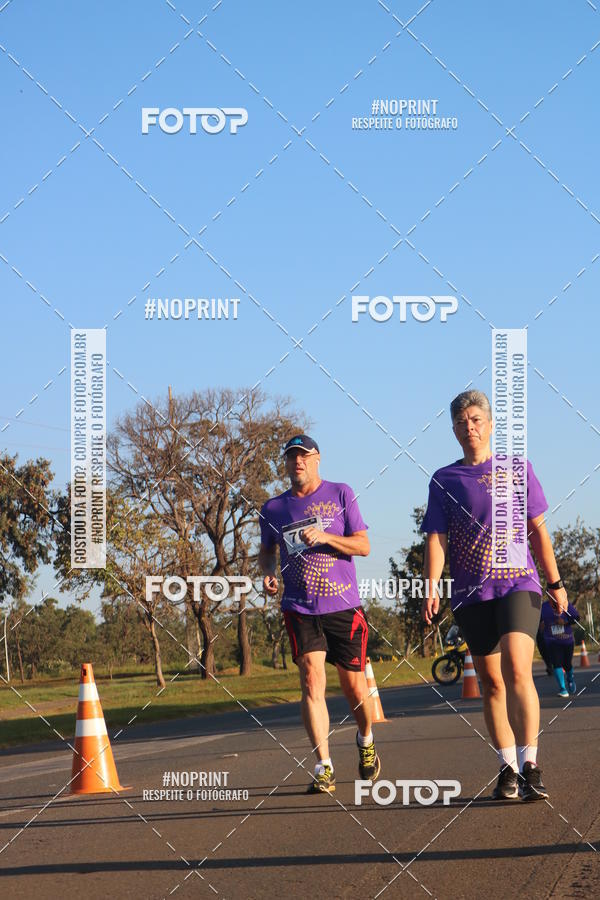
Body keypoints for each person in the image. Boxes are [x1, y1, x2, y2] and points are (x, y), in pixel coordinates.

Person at [421, 390, 568, 802]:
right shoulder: (444, 480)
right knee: (490, 682)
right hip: (471, 592)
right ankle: (506, 767)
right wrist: (431, 587)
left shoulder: (518, 468)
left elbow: (539, 530)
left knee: (519, 670)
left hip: (519, 583)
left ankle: (531, 766)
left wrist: (555, 583)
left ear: (489, 423)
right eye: (461, 422)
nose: (469, 427)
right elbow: (437, 539)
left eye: (475, 419)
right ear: (453, 430)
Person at [258, 434, 381, 793]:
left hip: (344, 606)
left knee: (353, 687)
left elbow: (364, 545)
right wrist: (267, 573)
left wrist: (326, 537)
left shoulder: (341, 493)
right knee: (311, 681)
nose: (298, 462)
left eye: (304, 456)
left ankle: (366, 739)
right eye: (292, 457)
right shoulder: (273, 509)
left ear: (317, 459)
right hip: (299, 606)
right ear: (285, 464)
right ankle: (323, 765)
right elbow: (267, 551)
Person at [540, 598, 580, 697]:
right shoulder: (543, 607)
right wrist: (541, 625)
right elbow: (538, 620)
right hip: (551, 641)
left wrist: (565, 622)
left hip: (567, 640)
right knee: (556, 663)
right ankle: (562, 689)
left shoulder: (565, 604)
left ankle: (570, 678)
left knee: (567, 664)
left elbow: (576, 618)